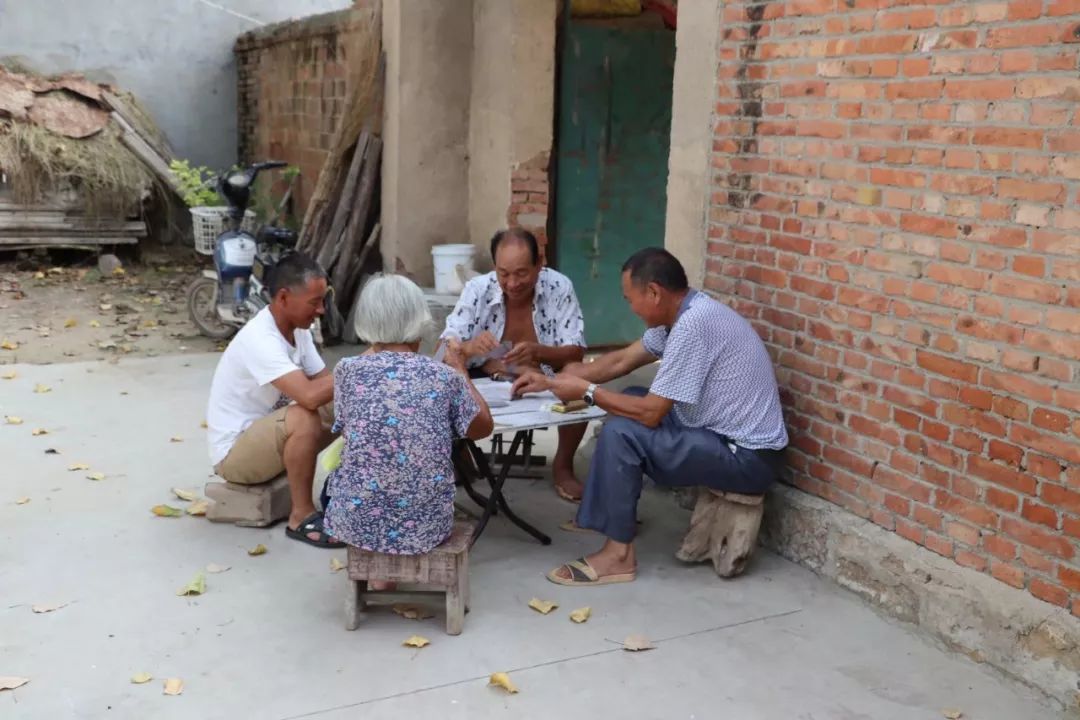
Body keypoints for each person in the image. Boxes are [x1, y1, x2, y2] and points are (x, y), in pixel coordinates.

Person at [511, 247, 788, 586]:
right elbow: (618, 362)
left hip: (745, 457)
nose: (629, 306)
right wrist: (552, 381)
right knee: (628, 399)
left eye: (630, 298)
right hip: (715, 435)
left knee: (622, 432)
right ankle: (610, 515)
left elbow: (653, 413)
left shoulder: (693, 326)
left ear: (654, 292)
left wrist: (586, 391)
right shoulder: (681, 315)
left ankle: (618, 556)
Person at [323, 274, 493, 567]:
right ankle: (390, 563)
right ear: (421, 321)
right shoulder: (443, 376)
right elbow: (482, 427)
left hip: (355, 521)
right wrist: (460, 369)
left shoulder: (346, 371)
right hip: (426, 527)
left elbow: (348, 426)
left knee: (343, 477)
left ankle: (378, 568)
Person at [440, 227, 588, 501]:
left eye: (521, 273)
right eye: (503, 273)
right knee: (446, 375)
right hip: (485, 371)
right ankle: (461, 455)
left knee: (578, 376)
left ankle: (563, 465)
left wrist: (538, 352)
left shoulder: (559, 286)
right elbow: (445, 350)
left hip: (543, 373)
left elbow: (575, 351)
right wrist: (470, 348)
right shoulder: (478, 289)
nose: (511, 283)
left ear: (539, 264)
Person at [206, 251, 341, 549]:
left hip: (268, 438)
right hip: (234, 455)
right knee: (305, 414)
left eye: (322, 301)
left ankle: (344, 487)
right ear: (283, 298)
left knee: (349, 401)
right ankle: (300, 516)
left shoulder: (298, 330)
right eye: (313, 303)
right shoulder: (260, 338)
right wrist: (360, 367)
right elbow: (308, 395)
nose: (321, 310)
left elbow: (326, 384)